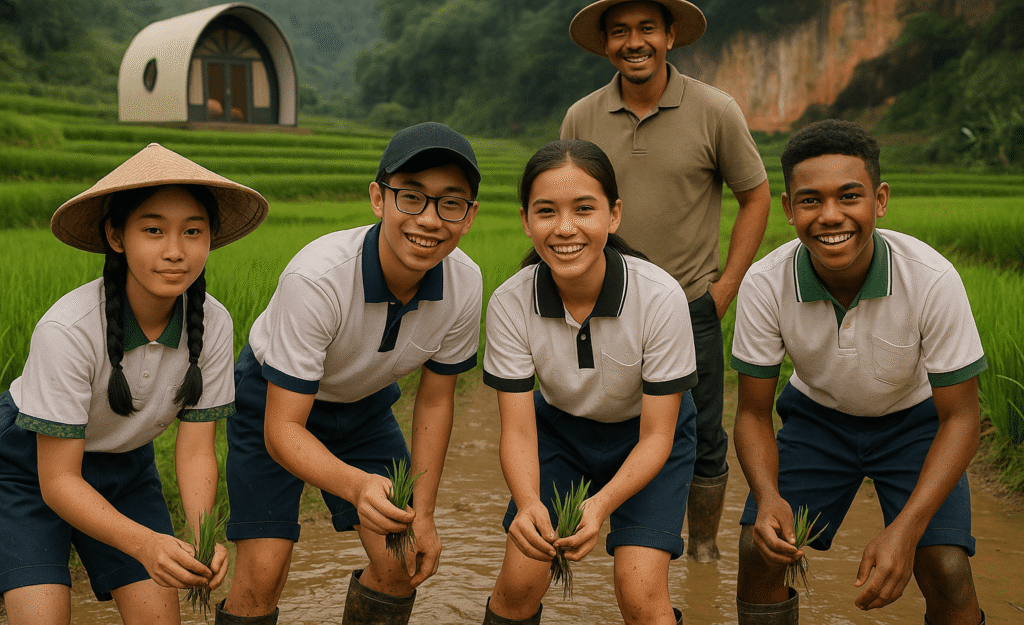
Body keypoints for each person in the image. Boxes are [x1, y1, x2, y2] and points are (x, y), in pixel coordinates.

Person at [218, 122, 483, 625]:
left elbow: (434, 401)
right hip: (273, 402)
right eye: (411, 197)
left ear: (468, 217)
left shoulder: (465, 284)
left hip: (363, 407)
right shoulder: (317, 279)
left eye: (450, 203)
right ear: (378, 199)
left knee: (402, 560)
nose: (429, 220)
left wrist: (422, 512)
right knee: (262, 575)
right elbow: (283, 430)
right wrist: (357, 487)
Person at [731, 119, 986, 624]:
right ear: (788, 208)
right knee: (761, 551)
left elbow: (962, 419)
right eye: (810, 200)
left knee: (947, 567)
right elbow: (753, 414)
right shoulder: (765, 284)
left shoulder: (931, 280)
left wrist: (906, 531)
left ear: (880, 200)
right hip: (818, 421)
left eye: (850, 197)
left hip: (915, 425)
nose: (831, 217)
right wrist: (767, 497)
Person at [0, 143, 268, 624]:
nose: (174, 251)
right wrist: (145, 543)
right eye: (153, 230)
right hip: (28, 468)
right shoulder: (68, 330)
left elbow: (195, 450)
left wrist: (202, 536)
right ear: (116, 236)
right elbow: (58, 480)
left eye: (192, 232)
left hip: (126, 468)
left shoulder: (214, 324)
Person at [560, 0, 771, 562]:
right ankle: (601, 534)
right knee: (600, 421)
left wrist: (725, 287)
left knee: (703, 437)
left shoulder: (714, 110)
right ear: (606, 44)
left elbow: (755, 195)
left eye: (647, 28)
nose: (635, 41)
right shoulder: (582, 117)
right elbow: (567, 198)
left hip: (688, 307)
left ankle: (702, 548)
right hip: (601, 304)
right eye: (620, 31)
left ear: (670, 35)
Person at [479, 139, 698, 625]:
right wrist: (531, 503)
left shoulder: (659, 297)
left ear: (613, 215)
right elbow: (517, 430)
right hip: (560, 435)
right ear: (525, 220)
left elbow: (659, 434)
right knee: (519, 582)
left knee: (640, 595)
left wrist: (598, 507)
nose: (565, 229)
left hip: (648, 440)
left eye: (584, 209)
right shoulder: (511, 303)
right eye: (546, 212)